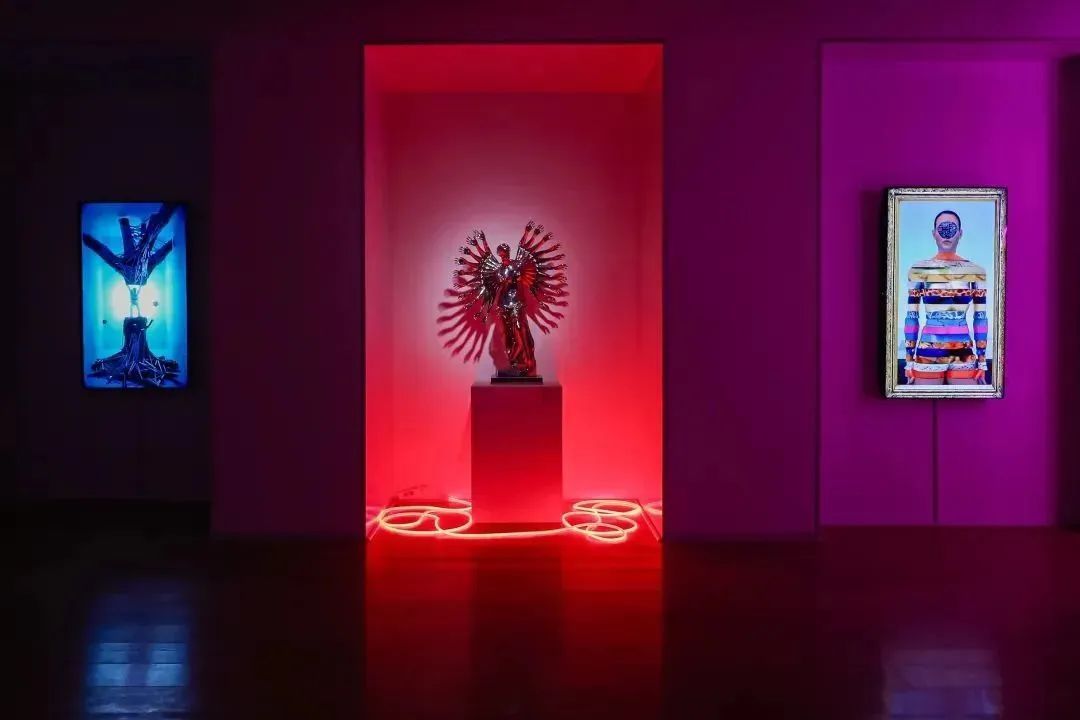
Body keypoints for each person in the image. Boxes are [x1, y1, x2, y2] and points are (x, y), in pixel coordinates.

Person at [904, 210, 989, 385]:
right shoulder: (919, 270)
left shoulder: (975, 271)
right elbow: (911, 316)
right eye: (942, 228)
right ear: (934, 233)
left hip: (963, 353)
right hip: (928, 354)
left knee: (966, 402)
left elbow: (980, 317)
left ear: (960, 233)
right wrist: (908, 361)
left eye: (952, 228)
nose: (946, 234)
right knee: (922, 402)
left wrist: (982, 361)